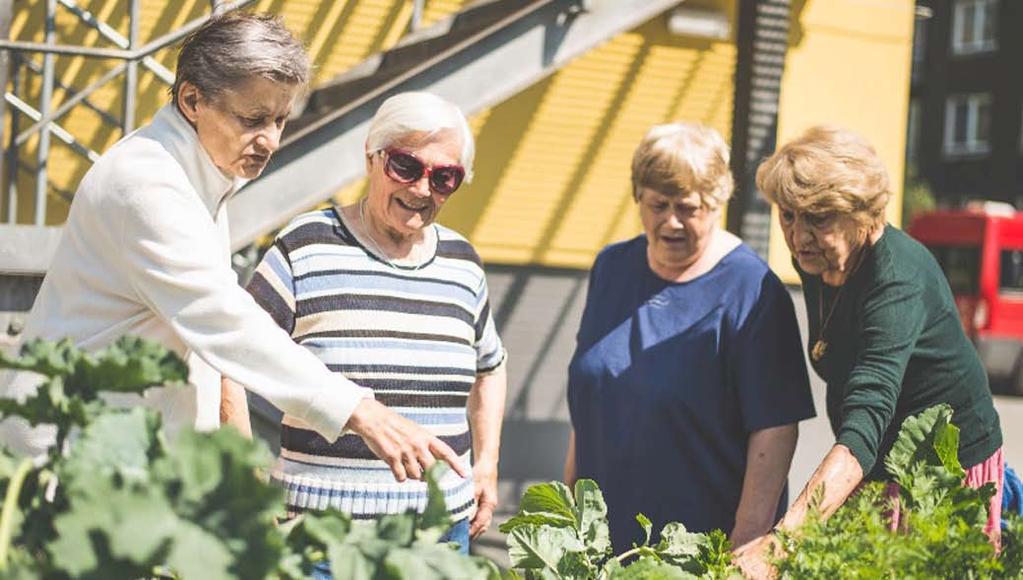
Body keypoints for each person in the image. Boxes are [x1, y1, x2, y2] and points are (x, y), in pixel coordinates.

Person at [0, 13, 466, 485]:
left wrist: (240, 458)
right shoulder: (147, 185)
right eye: (253, 119)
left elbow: (209, 344)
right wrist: (360, 410)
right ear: (191, 99)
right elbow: (222, 319)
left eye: (280, 119)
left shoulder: (200, 175)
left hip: (114, 453)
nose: (270, 140)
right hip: (62, 462)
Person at [230, 91, 507, 557]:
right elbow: (230, 356)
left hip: (438, 540)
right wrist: (246, 477)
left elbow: (491, 367)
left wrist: (487, 465)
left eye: (444, 177)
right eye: (406, 166)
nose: (422, 189)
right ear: (372, 157)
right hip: (321, 539)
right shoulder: (305, 245)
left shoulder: (463, 262)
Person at [736, 126, 1004, 577]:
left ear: (862, 213)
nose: (798, 235)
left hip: (940, 477)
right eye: (787, 215)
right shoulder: (822, 257)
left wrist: (781, 544)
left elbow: (865, 423)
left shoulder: (897, 280)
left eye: (817, 217)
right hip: (876, 472)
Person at [563, 122, 815, 553]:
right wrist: (566, 513)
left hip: (695, 547)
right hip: (600, 544)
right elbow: (592, 398)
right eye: (658, 205)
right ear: (638, 197)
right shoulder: (612, 267)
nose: (671, 222)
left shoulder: (752, 291)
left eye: (688, 208)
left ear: (718, 203)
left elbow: (775, 429)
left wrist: (749, 540)